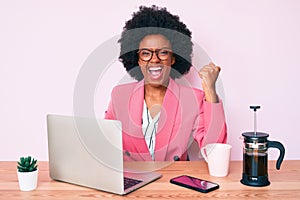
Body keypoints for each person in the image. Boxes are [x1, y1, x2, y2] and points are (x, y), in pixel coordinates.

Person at [105, 5, 227, 161]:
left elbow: (215, 152)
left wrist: (210, 91)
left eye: (163, 52)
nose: (154, 59)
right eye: (146, 53)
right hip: (132, 180)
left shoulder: (192, 99)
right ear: (138, 60)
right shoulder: (119, 95)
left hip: (173, 181)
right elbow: (107, 145)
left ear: (174, 58)